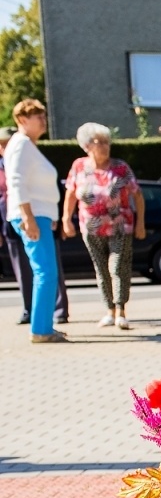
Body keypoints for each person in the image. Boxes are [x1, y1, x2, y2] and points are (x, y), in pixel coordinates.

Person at [61, 123, 144, 330]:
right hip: (91, 227)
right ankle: (109, 311)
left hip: (120, 225)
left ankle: (121, 310)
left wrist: (141, 222)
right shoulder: (79, 166)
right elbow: (71, 194)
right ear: (87, 145)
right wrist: (65, 219)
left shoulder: (120, 167)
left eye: (108, 142)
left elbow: (137, 194)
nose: (106, 146)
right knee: (101, 269)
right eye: (101, 142)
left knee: (117, 267)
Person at [5, 99, 68, 343]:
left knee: (46, 271)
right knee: (46, 272)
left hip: (39, 216)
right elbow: (17, 182)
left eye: (43, 115)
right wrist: (29, 217)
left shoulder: (28, 145)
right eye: (37, 116)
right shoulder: (20, 144)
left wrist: (48, 216)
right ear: (22, 120)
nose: (43, 119)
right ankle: (41, 330)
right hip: (30, 216)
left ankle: (43, 327)